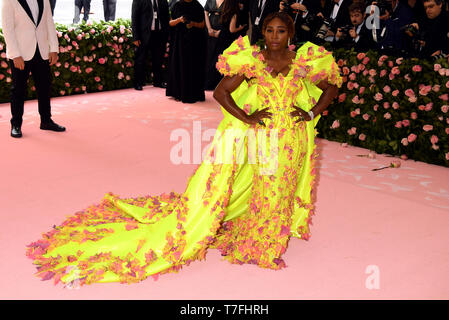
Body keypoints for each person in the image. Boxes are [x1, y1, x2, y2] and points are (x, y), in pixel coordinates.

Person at [26, 12, 341, 286]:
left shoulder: (302, 60)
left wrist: (312, 112)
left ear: (291, 35)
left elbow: (331, 85)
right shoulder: (251, 61)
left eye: (281, 31)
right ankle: (263, 243)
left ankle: (269, 236)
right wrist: (247, 117)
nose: (274, 36)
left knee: (282, 189)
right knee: (269, 188)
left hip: (293, 139)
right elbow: (220, 92)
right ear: (263, 33)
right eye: (269, 31)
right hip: (263, 138)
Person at [1, 0, 66, 138]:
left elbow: (49, 22)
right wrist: (15, 54)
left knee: (44, 87)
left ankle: (46, 121)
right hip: (21, 53)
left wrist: (54, 48)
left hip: (41, 51)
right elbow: (7, 28)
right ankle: (16, 124)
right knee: (18, 89)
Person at [166, 0, 207, 103]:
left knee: (194, 67)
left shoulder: (197, 6)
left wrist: (193, 24)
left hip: (195, 42)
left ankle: (194, 93)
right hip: (179, 42)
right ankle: (179, 93)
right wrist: (179, 20)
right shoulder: (176, 5)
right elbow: (170, 23)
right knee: (180, 66)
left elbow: (202, 24)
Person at [131, 0, 170, 90]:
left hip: (159, 34)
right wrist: (136, 37)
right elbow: (134, 18)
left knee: (158, 59)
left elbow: (166, 17)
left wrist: (166, 34)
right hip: (144, 35)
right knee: (140, 59)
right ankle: (138, 83)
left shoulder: (163, 1)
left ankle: (158, 81)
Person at [204, 0, 225, 90]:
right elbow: (205, 12)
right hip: (210, 31)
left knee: (219, 58)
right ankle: (207, 83)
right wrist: (209, 28)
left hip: (223, 32)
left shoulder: (229, 2)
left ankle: (218, 84)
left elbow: (231, 16)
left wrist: (221, 31)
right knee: (209, 57)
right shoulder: (210, 0)